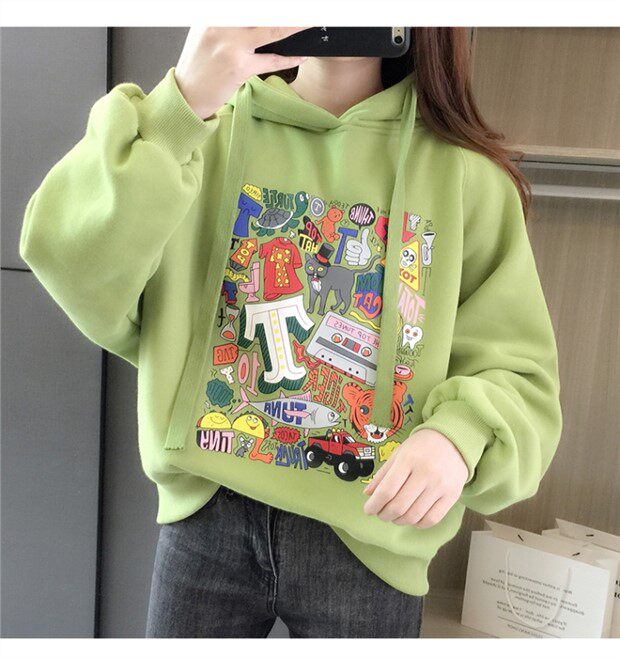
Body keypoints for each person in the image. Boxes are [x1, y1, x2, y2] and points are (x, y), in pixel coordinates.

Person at [19, 26, 563, 638]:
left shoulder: (467, 179)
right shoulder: (201, 133)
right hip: (207, 512)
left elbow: (521, 374)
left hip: (368, 537)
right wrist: (180, 107)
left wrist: (458, 437)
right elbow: (71, 259)